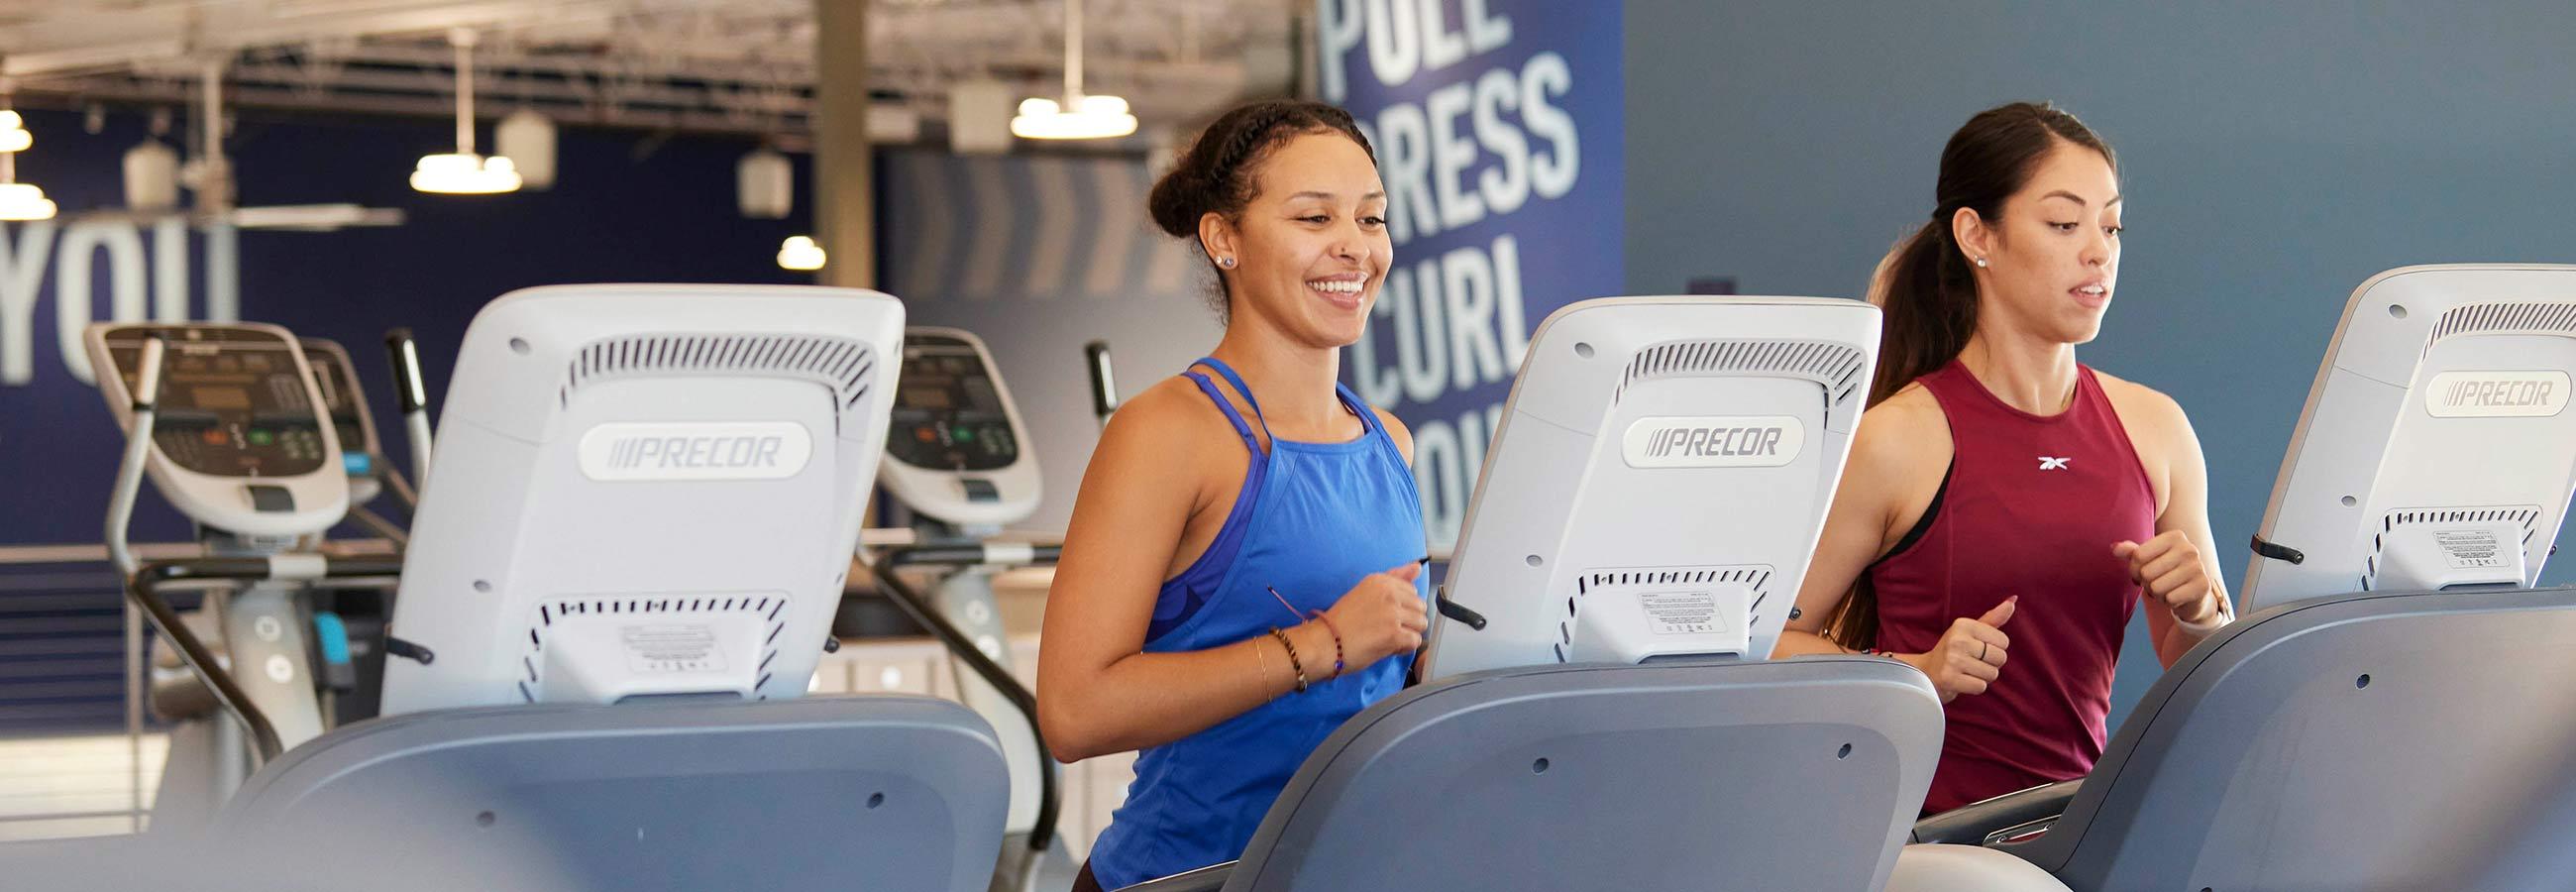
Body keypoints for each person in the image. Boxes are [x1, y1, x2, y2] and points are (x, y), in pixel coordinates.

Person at [1773, 101, 2234, 814]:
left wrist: (2201, 611)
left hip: (2070, 826)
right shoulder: (1898, 440)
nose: (2098, 251)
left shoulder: (2155, 429)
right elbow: (1768, 641)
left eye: (2111, 226)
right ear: (1976, 235)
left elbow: (2203, 668)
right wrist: (1914, 672)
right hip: (1919, 836)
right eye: (2063, 224)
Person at [1033, 99, 1432, 891]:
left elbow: (1379, 684)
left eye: (1372, 218)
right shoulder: (1168, 432)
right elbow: (1075, 713)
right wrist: (1323, 646)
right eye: (1314, 217)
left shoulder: (1388, 439)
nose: (1353, 246)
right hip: (1190, 878)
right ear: (1224, 241)